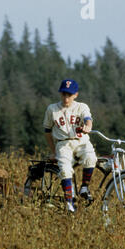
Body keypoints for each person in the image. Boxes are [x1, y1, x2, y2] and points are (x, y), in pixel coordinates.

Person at [43, 79, 97, 212]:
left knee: (91, 158)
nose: (66, 98)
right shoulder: (52, 109)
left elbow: (87, 118)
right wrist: (53, 151)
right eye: (63, 94)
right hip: (63, 144)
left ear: (75, 95)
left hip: (81, 141)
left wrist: (88, 126)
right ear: (60, 94)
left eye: (69, 95)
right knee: (65, 170)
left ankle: (84, 187)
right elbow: (47, 131)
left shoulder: (81, 107)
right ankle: (69, 204)